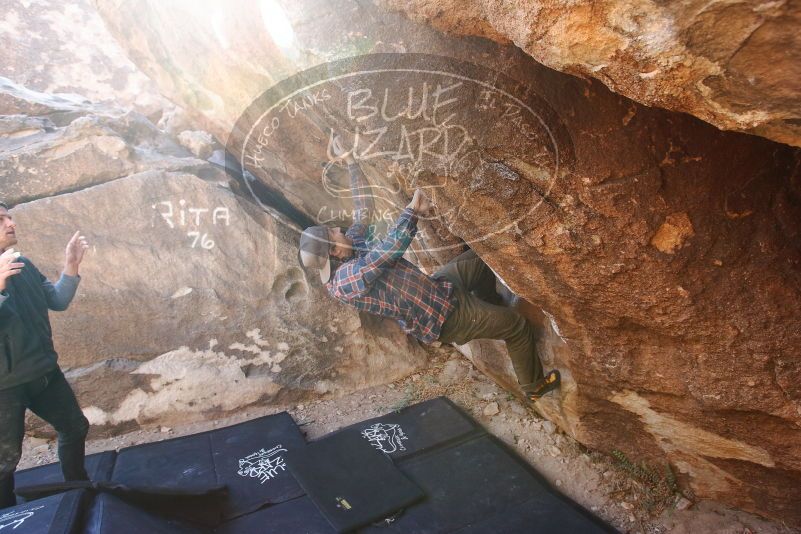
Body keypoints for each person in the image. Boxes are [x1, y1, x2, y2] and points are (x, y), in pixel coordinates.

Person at [299, 137, 560, 400]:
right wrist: (412, 211)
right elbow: (385, 254)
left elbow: (363, 209)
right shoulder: (344, 281)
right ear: (332, 251)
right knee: (517, 326)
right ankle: (534, 387)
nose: (338, 229)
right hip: (446, 317)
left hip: (438, 288)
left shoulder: (349, 249)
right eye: (333, 233)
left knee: (481, 257)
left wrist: (350, 162)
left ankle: (487, 303)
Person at [0, 201, 90, 509]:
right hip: (4, 388)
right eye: (1, 219)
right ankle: (7, 517)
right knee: (5, 461)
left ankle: (78, 490)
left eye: (9, 216)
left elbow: (57, 300)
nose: (11, 223)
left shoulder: (22, 263)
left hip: (44, 373)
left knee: (75, 427)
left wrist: (71, 265)